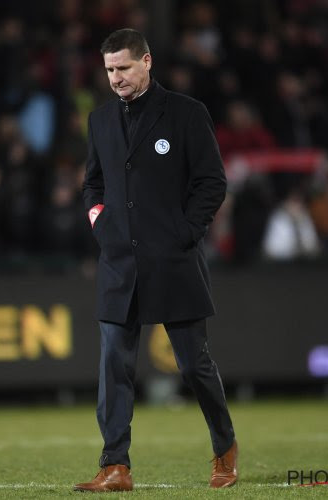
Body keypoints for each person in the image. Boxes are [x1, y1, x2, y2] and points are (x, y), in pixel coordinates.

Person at [75, 29, 237, 492]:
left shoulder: (187, 113)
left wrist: (184, 233)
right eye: (109, 70)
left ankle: (224, 448)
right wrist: (100, 225)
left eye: (124, 68)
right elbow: (93, 184)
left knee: (193, 365)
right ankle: (115, 466)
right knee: (113, 365)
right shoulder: (101, 120)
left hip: (173, 261)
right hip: (119, 263)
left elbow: (212, 182)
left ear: (147, 61)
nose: (116, 79)